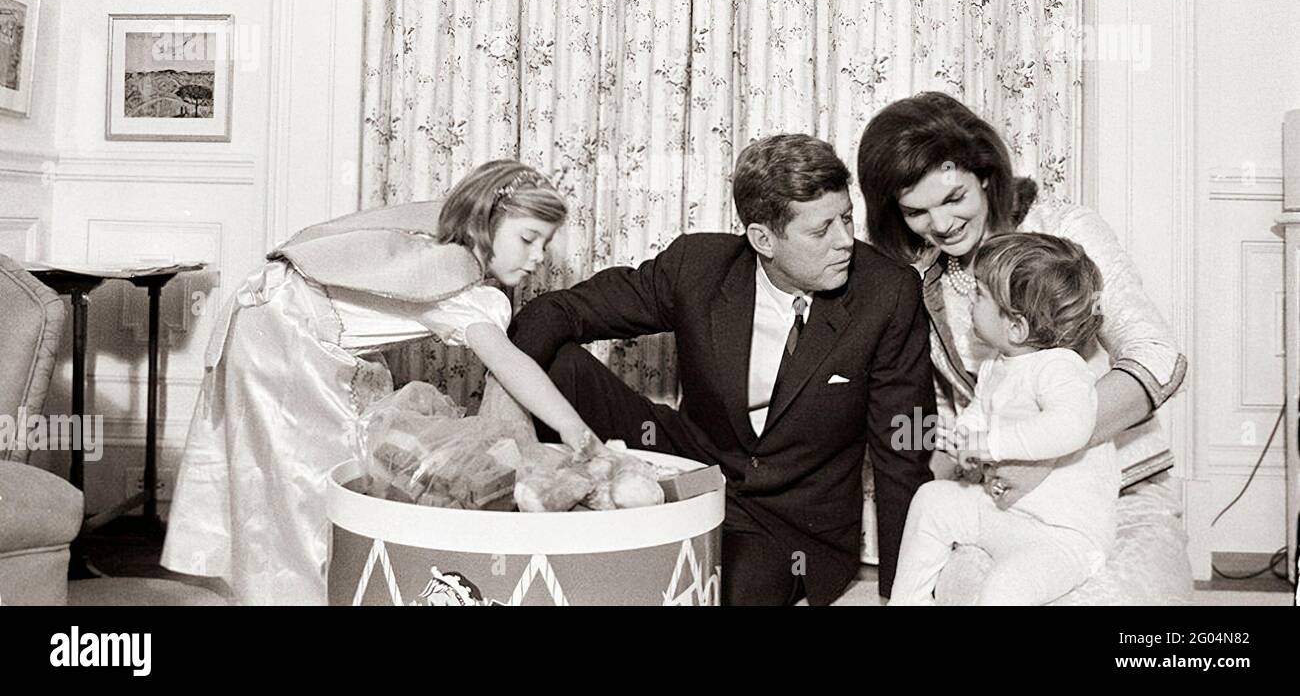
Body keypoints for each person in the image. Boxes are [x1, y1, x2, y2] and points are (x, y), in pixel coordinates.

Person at [503, 134, 935, 605]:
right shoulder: (700, 265)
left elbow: (903, 447)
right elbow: (559, 311)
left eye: (847, 219)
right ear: (762, 239)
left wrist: (903, 594)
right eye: (822, 229)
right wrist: (500, 398)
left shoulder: (887, 293)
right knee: (556, 363)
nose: (845, 241)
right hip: (694, 461)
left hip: (786, 522)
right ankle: (568, 501)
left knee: (713, 593)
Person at [161, 161, 595, 605]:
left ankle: (302, 587)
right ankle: (294, 596)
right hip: (284, 335)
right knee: (305, 483)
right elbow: (510, 364)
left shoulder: (435, 234)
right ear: (485, 221)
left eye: (544, 244)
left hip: (271, 312)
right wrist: (571, 426)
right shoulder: (461, 292)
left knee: (302, 470)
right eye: (528, 239)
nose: (539, 257)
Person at [857, 91, 1188, 600]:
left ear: (985, 174)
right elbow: (950, 417)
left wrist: (1037, 456)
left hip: (1121, 492)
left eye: (953, 197)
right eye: (916, 212)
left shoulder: (1064, 230)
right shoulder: (919, 280)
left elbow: (1159, 357)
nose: (941, 225)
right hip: (1003, 501)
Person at [888, 232, 1120, 605]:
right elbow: (981, 410)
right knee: (933, 499)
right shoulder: (997, 363)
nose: (970, 301)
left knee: (1003, 589)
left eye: (979, 294)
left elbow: (1071, 427)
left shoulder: (1061, 367)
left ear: (1016, 327)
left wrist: (991, 444)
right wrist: (965, 435)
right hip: (1006, 512)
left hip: (1064, 535)